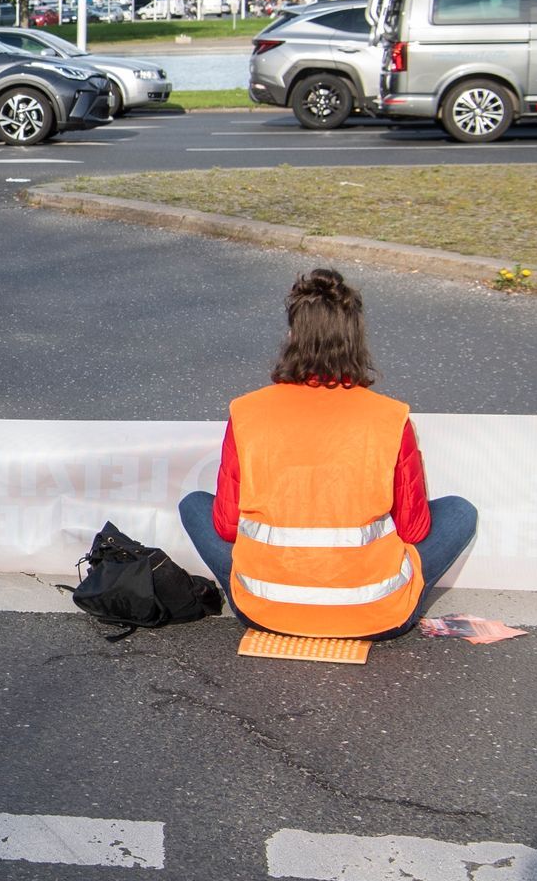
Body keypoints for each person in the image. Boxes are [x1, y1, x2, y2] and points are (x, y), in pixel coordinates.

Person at [178, 269, 478, 641]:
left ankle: (266, 596)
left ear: (291, 338)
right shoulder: (390, 416)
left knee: (194, 503)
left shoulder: (247, 412)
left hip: (265, 611)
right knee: (460, 511)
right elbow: (414, 529)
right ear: (357, 342)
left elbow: (225, 526)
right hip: (375, 615)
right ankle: (381, 600)